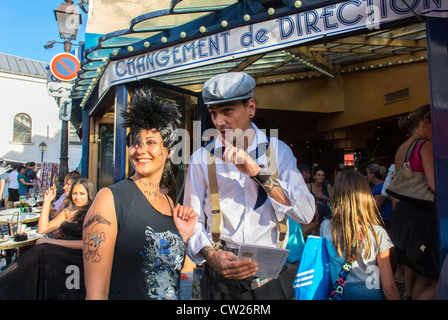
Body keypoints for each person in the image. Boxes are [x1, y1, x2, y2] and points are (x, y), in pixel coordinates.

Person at [183, 72, 315, 300]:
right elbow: (193, 222)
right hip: (221, 275)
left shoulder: (278, 151)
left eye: (227, 111)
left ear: (251, 108)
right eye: (214, 113)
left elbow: (305, 213)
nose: (218, 121)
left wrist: (257, 172)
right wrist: (211, 256)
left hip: (270, 276)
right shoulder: (200, 159)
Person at [82, 88, 196, 300]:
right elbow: (96, 295)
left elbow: (182, 275)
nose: (140, 150)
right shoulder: (110, 200)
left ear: (169, 150)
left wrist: (186, 238)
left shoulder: (169, 203)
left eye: (151, 142)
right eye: (135, 142)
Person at [0, 177, 96, 299]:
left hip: (78, 255)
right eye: (74, 193)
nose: (77, 197)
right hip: (61, 252)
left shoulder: (93, 212)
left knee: (42, 249)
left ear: (90, 194)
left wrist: (52, 242)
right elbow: (43, 229)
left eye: (82, 194)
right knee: (39, 252)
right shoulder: (69, 211)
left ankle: (6, 285)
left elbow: (86, 244)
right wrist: (47, 201)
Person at [320, 170, 400, 300]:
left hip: (338, 292)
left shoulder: (326, 227)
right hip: (370, 293)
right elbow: (389, 288)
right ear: (365, 196)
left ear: (336, 195)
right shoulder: (377, 232)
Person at [388, 104, 438, 300]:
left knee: (423, 277)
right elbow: (435, 185)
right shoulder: (425, 145)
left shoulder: (402, 148)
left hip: (406, 217)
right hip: (425, 219)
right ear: (425, 122)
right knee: (437, 279)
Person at [366, 163, 394, 230]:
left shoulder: (382, 187)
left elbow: (375, 206)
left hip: (384, 219)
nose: (367, 176)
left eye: (368, 174)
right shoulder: (373, 187)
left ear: (372, 174)